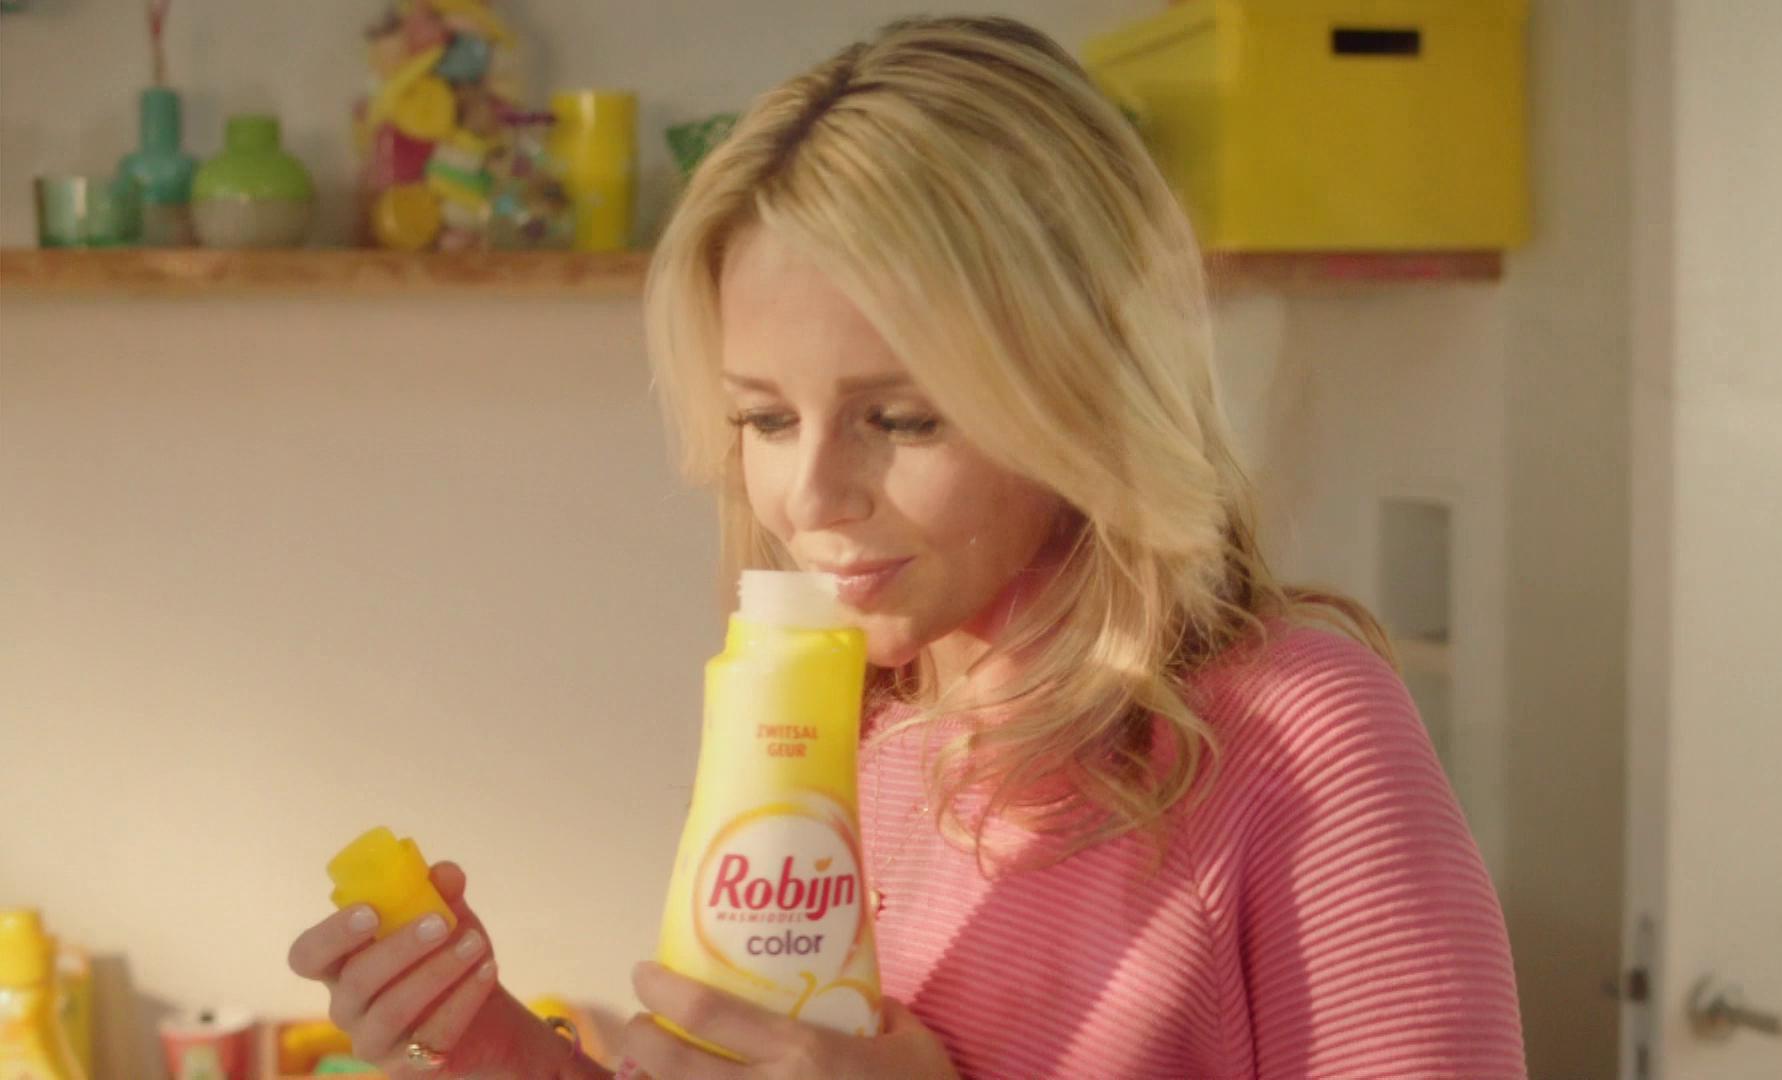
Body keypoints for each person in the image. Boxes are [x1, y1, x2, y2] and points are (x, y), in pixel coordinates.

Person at [287, 16, 1527, 1079]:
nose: (810, 497)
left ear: (1083, 389)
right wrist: (500, 1047)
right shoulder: (846, 731)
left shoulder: (1289, 738)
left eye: (901, 419)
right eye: (765, 418)